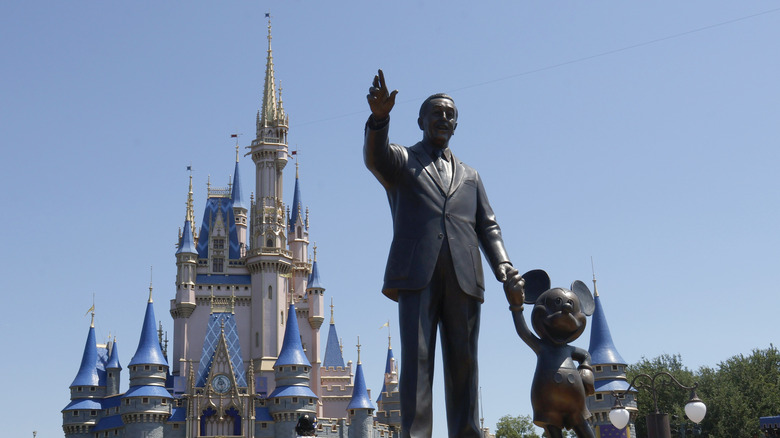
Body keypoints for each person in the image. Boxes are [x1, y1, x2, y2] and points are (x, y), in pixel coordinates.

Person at [364, 69, 518, 438]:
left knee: (464, 363)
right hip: (417, 274)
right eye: (437, 113)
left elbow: (488, 226)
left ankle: (466, 433)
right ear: (420, 121)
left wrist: (504, 266)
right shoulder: (402, 161)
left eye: (451, 114)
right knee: (417, 362)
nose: (444, 118)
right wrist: (380, 119)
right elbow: (376, 158)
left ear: (456, 124)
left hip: (465, 277)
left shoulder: (470, 175)